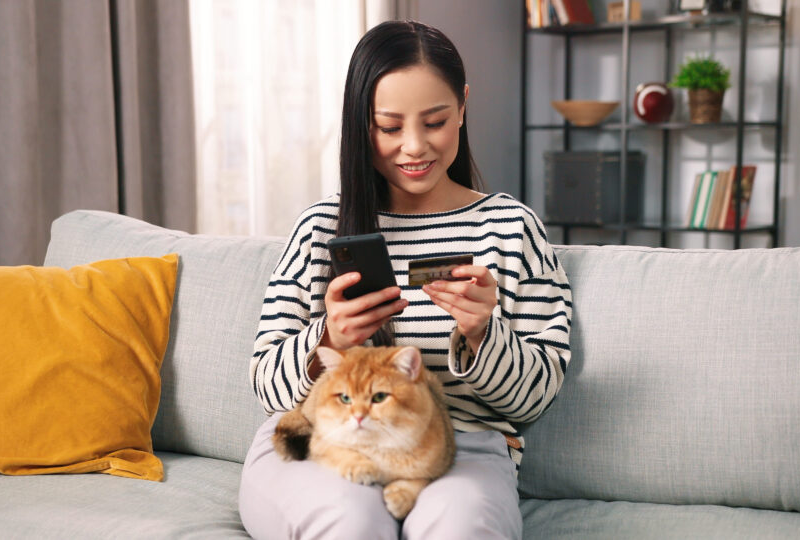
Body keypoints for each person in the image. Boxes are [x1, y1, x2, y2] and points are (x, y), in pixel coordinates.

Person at [239, 19, 572, 539]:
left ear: (463, 105)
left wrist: (485, 334)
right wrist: (328, 337)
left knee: (460, 527)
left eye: (435, 121)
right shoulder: (320, 228)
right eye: (389, 127)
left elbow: (536, 399)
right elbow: (265, 385)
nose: (414, 147)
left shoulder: (511, 229)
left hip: (462, 444)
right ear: (358, 124)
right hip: (328, 441)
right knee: (350, 521)